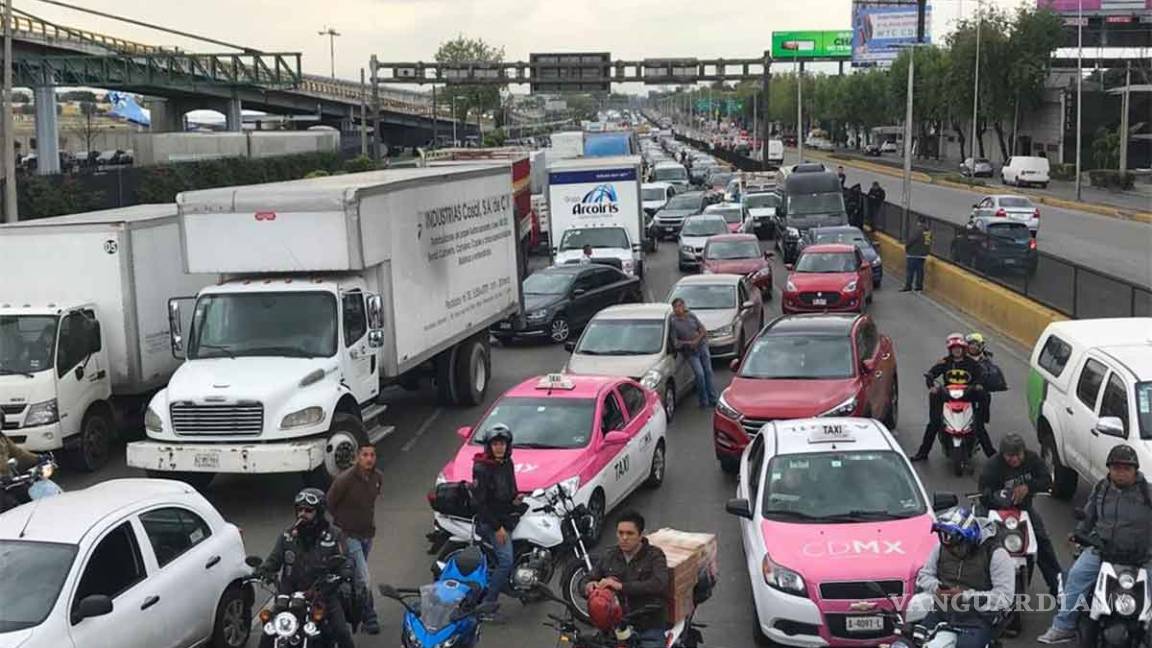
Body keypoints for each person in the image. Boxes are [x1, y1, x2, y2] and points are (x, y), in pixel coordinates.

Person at [1037, 444, 1152, 644]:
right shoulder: (1101, 488)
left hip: (1142, 556)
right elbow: (1088, 516)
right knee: (1076, 576)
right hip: (1102, 550)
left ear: (1135, 470)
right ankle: (1063, 626)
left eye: (1126, 468)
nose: (1121, 473)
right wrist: (1079, 533)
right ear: (1109, 469)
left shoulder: (1147, 492)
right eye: (1116, 468)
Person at [257, 488, 355, 648]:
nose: (303, 514)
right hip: (288, 596)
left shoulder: (334, 535)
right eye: (299, 510)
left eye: (308, 510)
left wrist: (345, 570)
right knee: (268, 633)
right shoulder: (287, 536)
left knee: (341, 632)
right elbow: (274, 561)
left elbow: (346, 559)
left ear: (319, 512)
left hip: (322, 594)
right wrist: (263, 570)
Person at [916, 506, 1015, 648]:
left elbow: (1005, 598)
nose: (952, 551)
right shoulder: (942, 547)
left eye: (957, 547)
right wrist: (936, 588)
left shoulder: (996, 554)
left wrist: (965, 596)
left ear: (970, 539)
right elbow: (924, 575)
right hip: (942, 611)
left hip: (978, 618)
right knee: (913, 640)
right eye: (948, 547)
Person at [979, 434, 1062, 597]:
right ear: (1003, 455)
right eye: (1010, 456)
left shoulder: (1033, 459)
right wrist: (1000, 498)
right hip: (996, 511)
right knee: (981, 540)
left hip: (1023, 510)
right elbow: (983, 493)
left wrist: (1028, 487)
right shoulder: (992, 466)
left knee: (1041, 541)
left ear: (1024, 452)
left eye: (1018, 455)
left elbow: (1047, 480)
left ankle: (1056, 586)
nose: (1015, 459)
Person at [582, 511, 670, 648]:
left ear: (641, 535)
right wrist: (589, 585)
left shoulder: (655, 555)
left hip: (648, 625)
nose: (624, 538)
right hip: (614, 625)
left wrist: (621, 586)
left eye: (630, 533)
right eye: (620, 533)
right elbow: (588, 578)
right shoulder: (609, 555)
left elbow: (659, 584)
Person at [327, 441, 384, 635]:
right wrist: (342, 524)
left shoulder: (377, 477)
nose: (369, 459)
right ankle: (369, 616)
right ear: (358, 457)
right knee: (363, 577)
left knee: (354, 575)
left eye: (372, 455)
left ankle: (349, 609)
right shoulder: (345, 479)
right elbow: (330, 502)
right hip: (349, 535)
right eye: (365, 455)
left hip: (367, 534)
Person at [911, 333, 990, 461]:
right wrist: (931, 386)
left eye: (959, 348)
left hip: (967, 396)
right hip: (948, 396)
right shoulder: (944, 362)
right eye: (954, 348)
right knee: (934, 424)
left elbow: (982, 375)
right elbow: (931, 373)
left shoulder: (972, 364)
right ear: (950, 350)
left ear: (963, 349)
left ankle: (991, 454)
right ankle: (923, 453)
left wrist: (977, 386)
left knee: (979, 425)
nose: (957, 350)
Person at [471, 424, 521, 613]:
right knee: (506, 561)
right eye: (495, 444)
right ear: (489, 446)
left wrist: (516, 499)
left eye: (502, 443)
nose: (499, 447)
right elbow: (480, 504)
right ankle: (488, 603)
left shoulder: (507, 463)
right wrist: (497, 527)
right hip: (491, 522)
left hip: (506, 515)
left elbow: (510, 490)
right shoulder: (482, 468)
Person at [670, 297, 717, 408]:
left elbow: (703, 330)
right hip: (690, 352)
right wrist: (688, 343)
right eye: (676, 307)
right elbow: (675, 342)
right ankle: (703, 400)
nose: (678, 309)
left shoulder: (691, 316)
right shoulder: (673, 322)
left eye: (680, 306)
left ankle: (713, 398)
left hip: (702, 346)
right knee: (699, 374)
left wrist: (697, 340)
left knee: (708, 372)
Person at [966, 333, 1006, 426]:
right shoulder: (960, 357)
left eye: (976, 344)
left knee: (985, 396)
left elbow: (991, 373)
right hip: (962, 387)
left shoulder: (986, 358)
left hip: (978, 388)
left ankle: (982, 419)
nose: (973, 347)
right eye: (970, 344)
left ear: (981, 346)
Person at [901, 217, 931, 292]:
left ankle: (908, 286)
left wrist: (906, 246)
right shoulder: (927, 231)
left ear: (918, 222)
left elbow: (911, 240)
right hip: (922, 255)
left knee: (910, 271)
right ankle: (919, 286)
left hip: (913, 253)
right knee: (920, 271)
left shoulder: (918, 230)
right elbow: (928, 242)